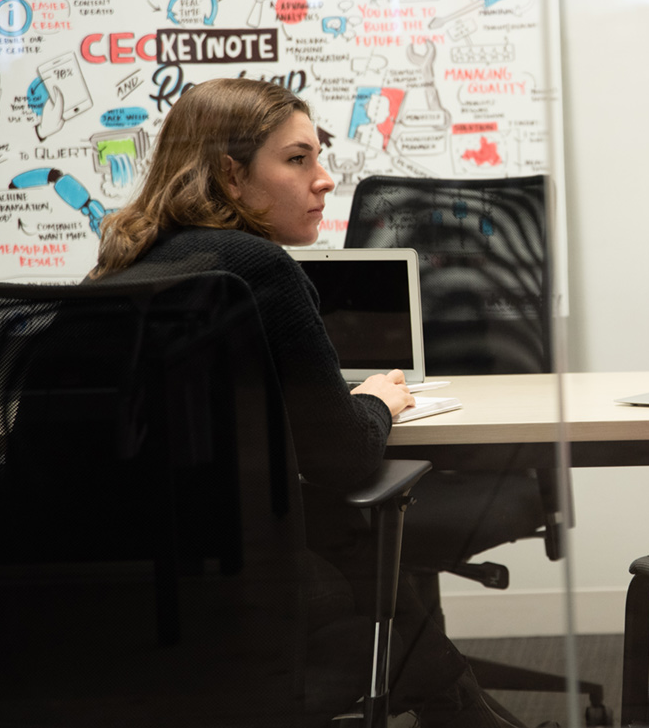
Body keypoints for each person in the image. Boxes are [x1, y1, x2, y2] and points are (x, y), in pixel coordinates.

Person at [89, 77, 526, 728]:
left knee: (344, 540)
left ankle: (457, 704)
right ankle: (457, 706)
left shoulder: (123, 269)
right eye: (298, 159)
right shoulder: (260, 269)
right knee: (361, 537)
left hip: (104, 600)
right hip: (233, 591)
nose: (324, 179)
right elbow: (345, 459)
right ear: (231, 177)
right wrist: (376, 399)